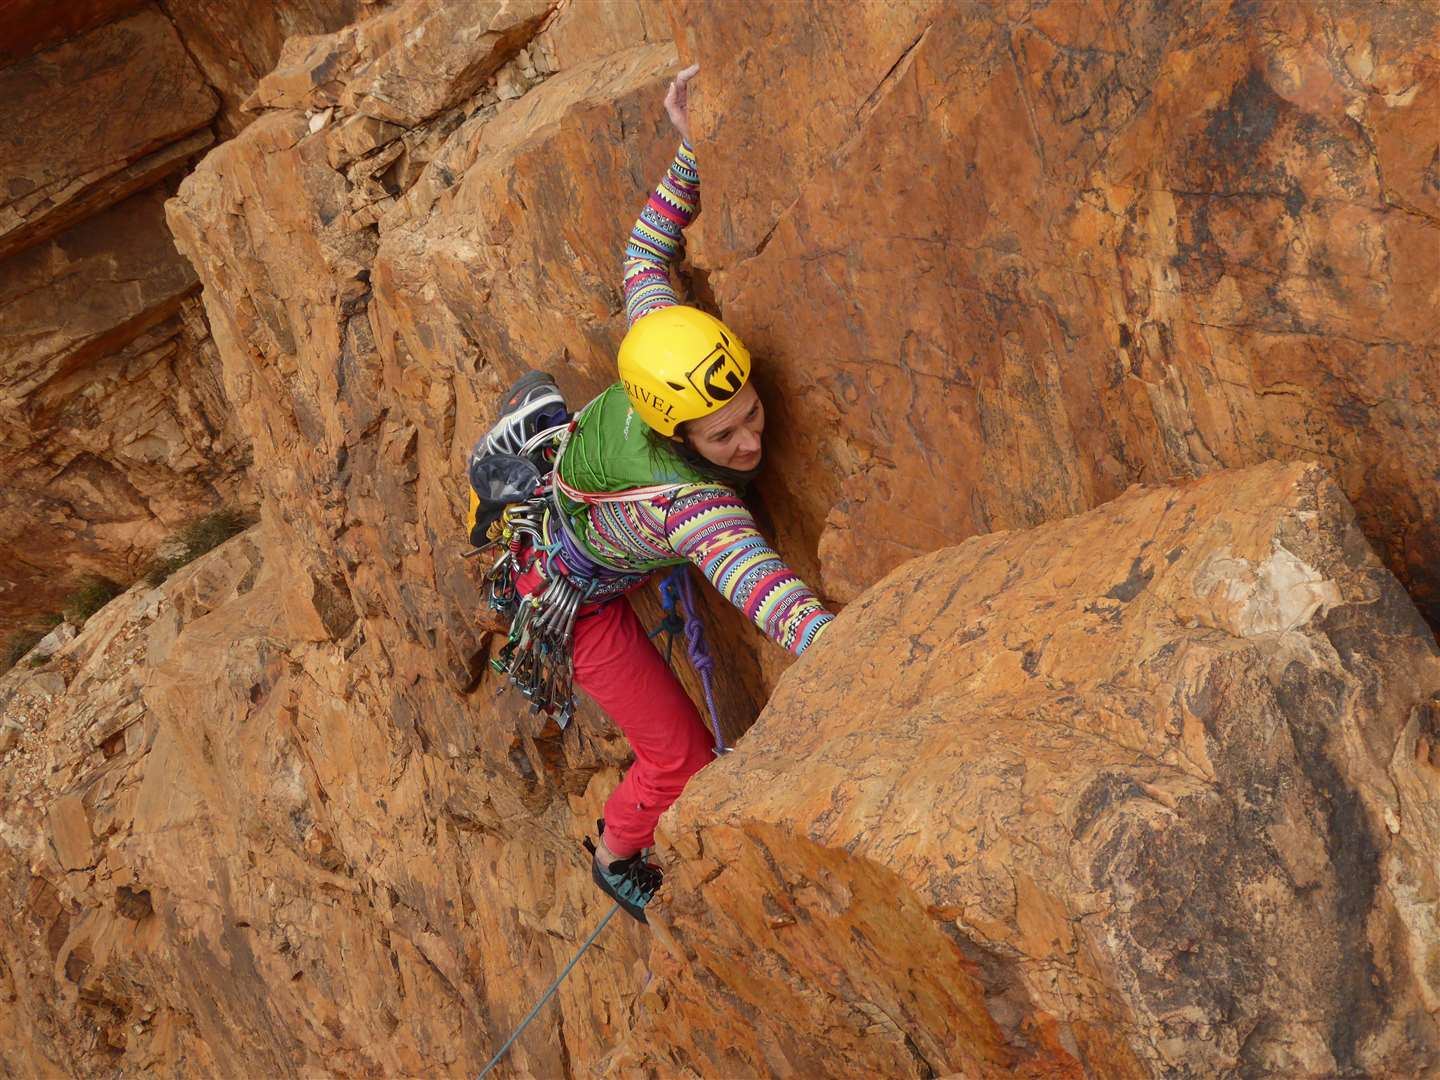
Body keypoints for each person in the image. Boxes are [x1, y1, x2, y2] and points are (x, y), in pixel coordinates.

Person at [476, 65, 833, 923]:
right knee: (679, 760)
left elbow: (645, 256)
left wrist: (692, 145)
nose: (751, 441)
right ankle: (616, 854)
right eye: (724, 438)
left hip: (591, 527)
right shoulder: (696, 508)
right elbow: (766, 595)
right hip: (575, 599)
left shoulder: (658, 342)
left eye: (750, 414)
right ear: (679, 440)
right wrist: (851, 650)